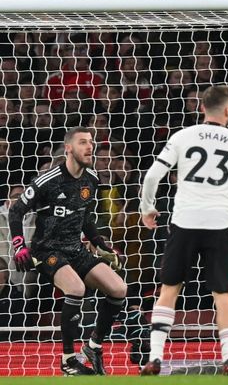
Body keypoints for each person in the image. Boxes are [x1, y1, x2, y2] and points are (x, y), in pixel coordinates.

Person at [138, 85, 228, 376]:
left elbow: (153, 175)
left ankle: (155, 357)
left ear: (201, 107)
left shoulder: (182, 136)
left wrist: (147, 208)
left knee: (169, 290)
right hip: (219, 224)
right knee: (223, 295)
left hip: (184, 222)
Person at [8, 127, 127, 376]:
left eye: (91, 142)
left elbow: (84, 217)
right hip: (46, 250)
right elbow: (16, 211)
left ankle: (93, 347)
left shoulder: (92, 179)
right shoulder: (47, 180)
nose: (90, 147)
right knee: (76, 289)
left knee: (118, 289)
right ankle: (68, 360)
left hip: (75, 248)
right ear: (69, 148)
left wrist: (99, 242)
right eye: (83, 142)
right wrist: (19, 244)